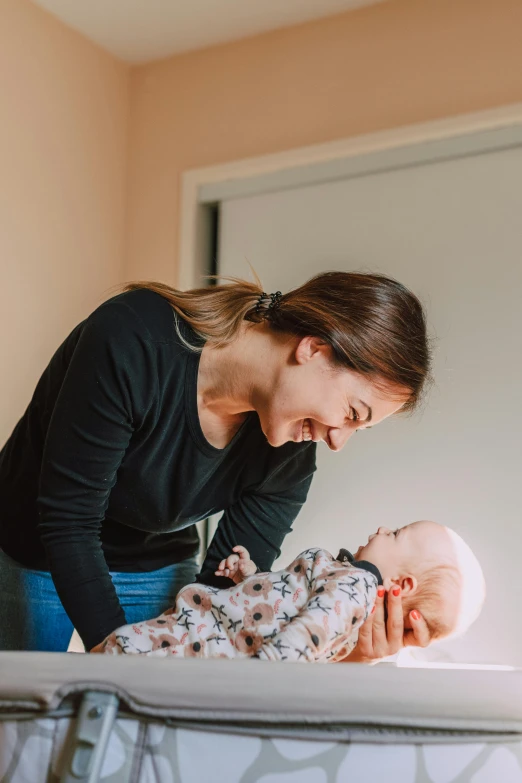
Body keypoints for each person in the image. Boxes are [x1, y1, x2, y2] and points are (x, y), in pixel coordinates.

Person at [0, 271, 433, 657]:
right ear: (315, 349)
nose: (339, 440)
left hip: (155, 563)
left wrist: (346, 652)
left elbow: (227, 619)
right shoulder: (132, 339)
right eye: (353, 413)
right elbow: (68, 519)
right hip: (32, 547)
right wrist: (124, 662)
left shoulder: (291, 457)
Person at [99, 521, 485, 661]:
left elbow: (300, 640)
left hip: (203, 641)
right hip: (204, 631)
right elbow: (279, 607)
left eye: (397, 533)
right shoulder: (346, 582)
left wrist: (263, 678)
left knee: (113, 653)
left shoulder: (355, 587)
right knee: (111, 655)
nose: (383, 528)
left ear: (402, 585)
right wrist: (248, 577)